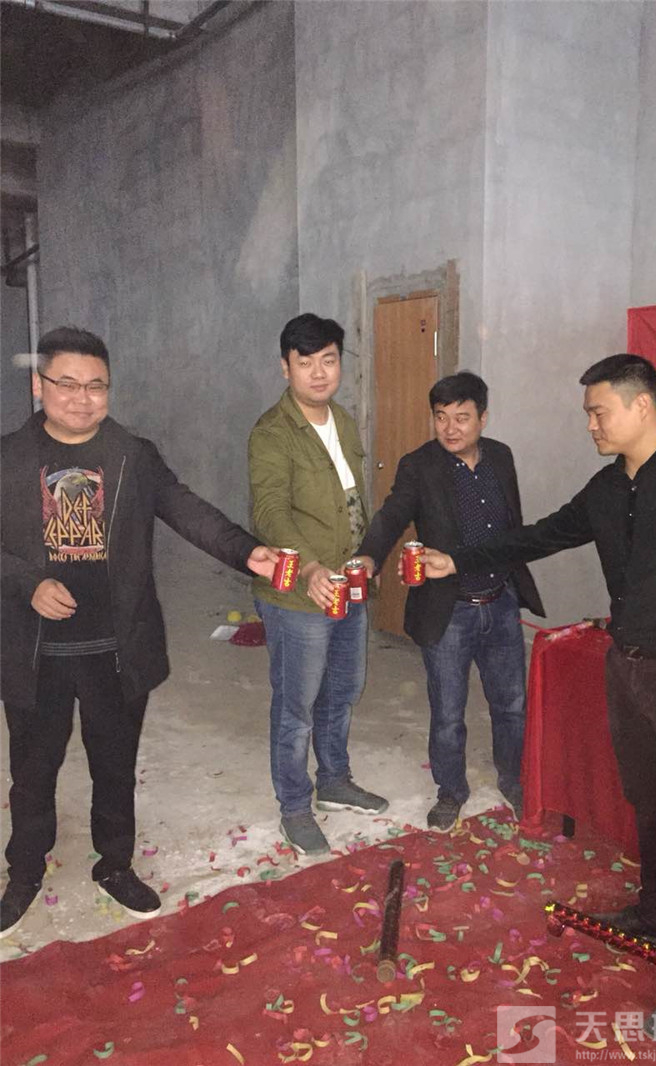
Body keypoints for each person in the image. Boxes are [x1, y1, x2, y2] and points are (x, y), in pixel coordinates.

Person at [421, 354, 656, 1038]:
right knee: (650, 801)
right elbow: (541, 535)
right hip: (628, 668)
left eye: (598, 412)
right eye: (589, 414)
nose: (591, 425)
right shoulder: (608, 488)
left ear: (642, 406)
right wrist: (459, 559)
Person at [0, 326, 279, 938]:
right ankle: (24, 872)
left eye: (96, 386)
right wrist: (28, 583)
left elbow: (188, 510)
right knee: (33, 770)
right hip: (37, 649)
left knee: (115, 766)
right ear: (39, 386)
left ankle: (115, 864)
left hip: (116, 647)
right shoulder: (8, 458)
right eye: (67, 384)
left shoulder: (132, 454)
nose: (82, 398)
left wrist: (247, 552)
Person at [354, 372, 544, 831]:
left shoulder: (501, 457)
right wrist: (369, 555)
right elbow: (392, 514)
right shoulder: (419, 466)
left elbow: (513, 527)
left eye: (462, 417)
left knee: (511, 705)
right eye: (441, 417)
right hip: (449, 610)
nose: (450, 428)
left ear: (483, 418)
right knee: (447, 713)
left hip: (500, 602)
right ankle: (451, 791)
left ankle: (514, 780)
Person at [248, 313, 388, 857]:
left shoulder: (344, 422)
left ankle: (334, 780)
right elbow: (270, 511)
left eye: (328, 360)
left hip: (348, 584)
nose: (319, 372)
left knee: (343, 690)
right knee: (296, 706)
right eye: (305, 362)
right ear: (286, 368)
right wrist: (308, 568)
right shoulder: (272, 433)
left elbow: (353, 499)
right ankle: (294, 807)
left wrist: (367, 555)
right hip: (297, 595)